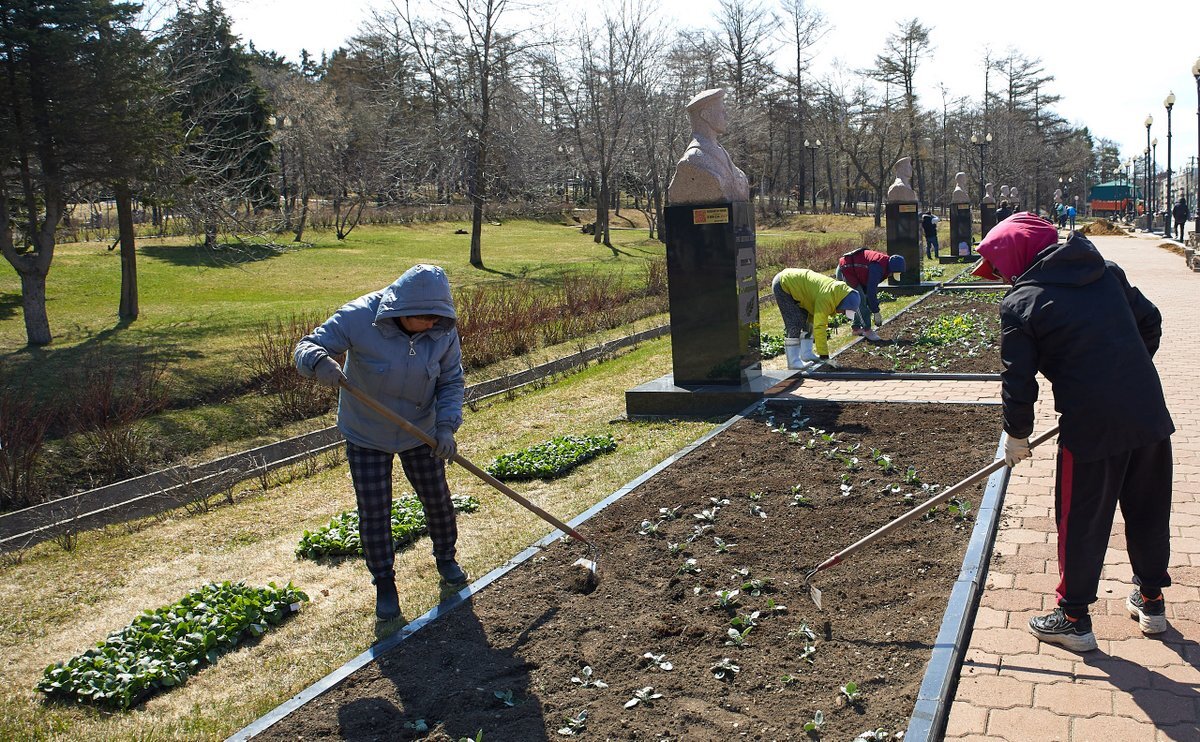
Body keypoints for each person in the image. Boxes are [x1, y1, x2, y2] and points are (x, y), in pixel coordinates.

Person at [972, 214, 1175, 652]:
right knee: (1149, 510)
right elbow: (1151, 321)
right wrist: (1124, 375)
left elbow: (1017, 381)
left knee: (1080, 518)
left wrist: (1016, 434)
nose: (1001, 277)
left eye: (999, 266)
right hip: (1148, 413)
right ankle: (1152, 601)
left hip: (1090, 429)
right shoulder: (1105, 272)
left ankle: (1073, 619)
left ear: (1015, 258)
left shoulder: (1021, 303)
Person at [294, 264, 468, 622]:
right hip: (366, 431)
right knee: (374, 510)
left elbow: (451, 380)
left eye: (439, 318)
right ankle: (385, 583)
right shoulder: (359, 317)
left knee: (437, 499)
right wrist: (318, 361)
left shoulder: (442, 329)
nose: (433, 325)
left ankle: (446, 559)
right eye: (426, 319)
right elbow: (306, 346)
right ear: (404, 312)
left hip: (421, 429)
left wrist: (447, 427)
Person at [667, 88, 750, 204]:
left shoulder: (720, 151)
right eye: (721, 111)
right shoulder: (693, 159)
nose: (726, 116)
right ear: (705, 115)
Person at [771, 268, 860, 369]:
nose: (843, 314)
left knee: (808, 322)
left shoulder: (836, 294)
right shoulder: (827, 298)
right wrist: (824, 356)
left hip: (800, 288)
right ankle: (793, 362)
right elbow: (820, 327)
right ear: (842, 304)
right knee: (795, 322)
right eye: (844, 311)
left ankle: (806, 354)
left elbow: (813, 319)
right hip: (784, 284)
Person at [835, 248, 905, 342]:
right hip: (846, 268)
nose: (891, 275)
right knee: (859, 299)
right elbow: (871, 291)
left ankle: (856, 328)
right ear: (890, 269)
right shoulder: (877, 267)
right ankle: (867, 330)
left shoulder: (884, 264)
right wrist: (876, 311)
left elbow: (869, 289)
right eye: (892, 273)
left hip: (855, 269)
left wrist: (873, 306)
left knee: (863, 298)